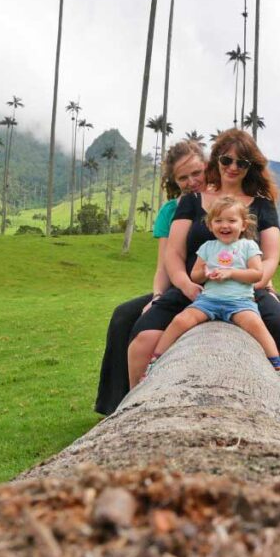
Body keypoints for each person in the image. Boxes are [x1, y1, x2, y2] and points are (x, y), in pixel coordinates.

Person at [126, 128, 280, 396]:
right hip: (196, 288)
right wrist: (186, 285)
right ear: (216, 160)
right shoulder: (191, 201)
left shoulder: (263, 205)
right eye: (226, 160)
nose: (232, 167)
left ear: (250, 167)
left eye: (241, 162)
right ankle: (133, 402)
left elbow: (271, 256)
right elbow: (173, 253)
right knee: (143, 338)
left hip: (246, 290)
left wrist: (258, 283)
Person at [92, 140, 208, 415]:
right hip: (179, 287)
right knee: (123, 316)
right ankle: (116, 406)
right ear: (174, 181)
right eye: (183, 177)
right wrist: (157, 297)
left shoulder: (223, 200)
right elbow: (164, 263)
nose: (191, 182)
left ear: (207, 167)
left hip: (220, 286)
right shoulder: (170, 210)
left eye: (196, 173)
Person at [144, 196, 280, 384]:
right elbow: (195, 275)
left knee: (257, 327)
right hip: (209, 300)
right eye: (218, 221)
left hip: (240, 302)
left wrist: (231, 273)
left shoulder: (248, 246)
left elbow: (256, 274)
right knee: (180, 320)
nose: (224, 225)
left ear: (243, 225)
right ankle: (155, 360)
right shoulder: (207, 247)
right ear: (210, 226)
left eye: (231, 220)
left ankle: (277, 367)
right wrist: (204, 274)